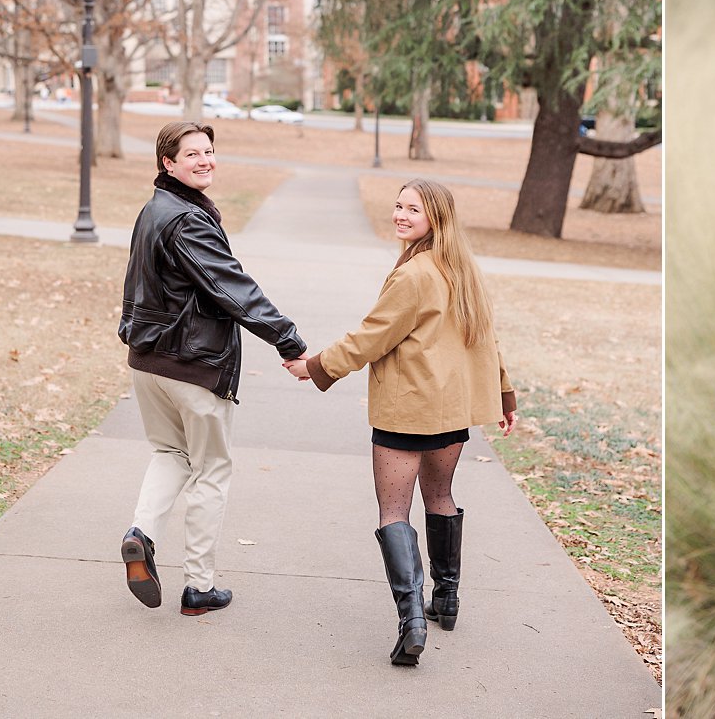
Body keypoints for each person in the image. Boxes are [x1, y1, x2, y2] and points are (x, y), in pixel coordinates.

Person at [284, 179, 517, 667]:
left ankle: (412, 620)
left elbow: (373, 337)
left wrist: (317, 365)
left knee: (394, 511)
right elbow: (488, 341)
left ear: (437, 216)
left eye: (413, 209)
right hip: (451, 412)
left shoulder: (415, 275)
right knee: (442, 496)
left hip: (409, 408)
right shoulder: (463, 270)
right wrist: (503, 392)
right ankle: (446, 601)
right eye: (398, 206)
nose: (400, 215)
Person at [118, 120, 307, 616]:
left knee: (169, 452)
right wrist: (288, 341)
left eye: (208, 151)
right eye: (192, 154)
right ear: (168, 163)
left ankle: (141, 534)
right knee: (212, 470)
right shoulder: (186, 220)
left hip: (148, 360)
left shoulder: (154, 210)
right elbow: (233, 289)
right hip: (192, 366)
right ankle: (198, 587)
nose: (204, 160)